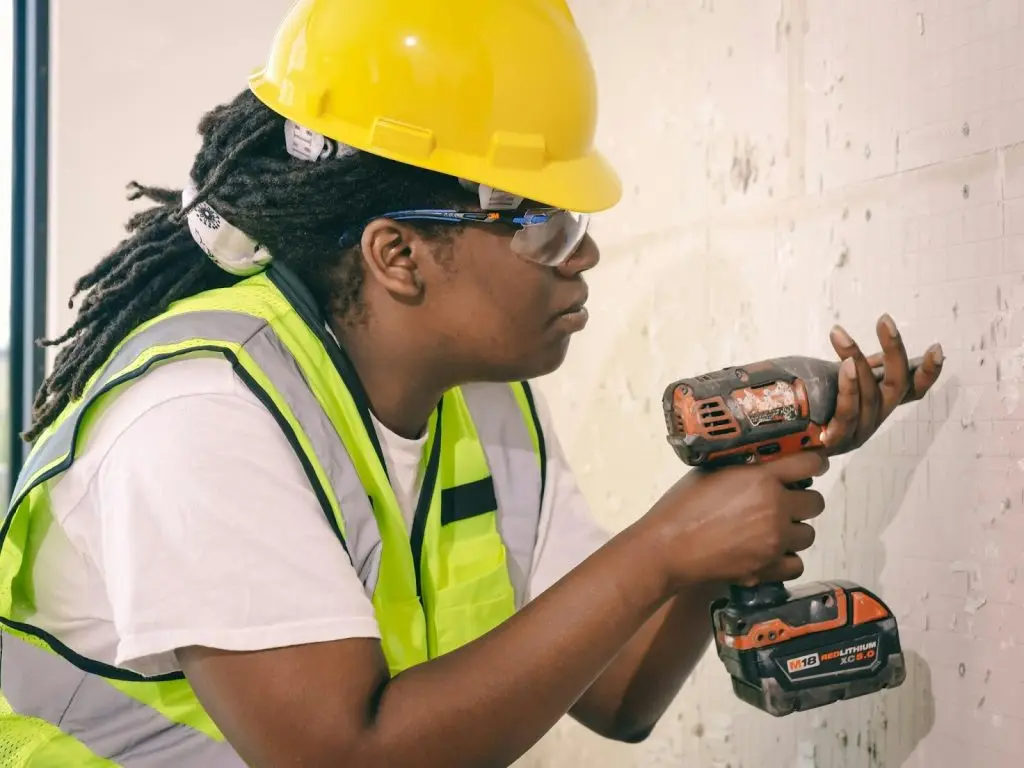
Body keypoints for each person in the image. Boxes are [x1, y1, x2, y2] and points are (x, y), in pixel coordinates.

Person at [0, 1, 943, 766]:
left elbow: (615, 692)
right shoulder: (197, 416)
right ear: (399, 253)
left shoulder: (478, 402)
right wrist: (666, 547)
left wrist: (730, 509)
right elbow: (345, 758)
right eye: (542, 225)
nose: (588, 255)